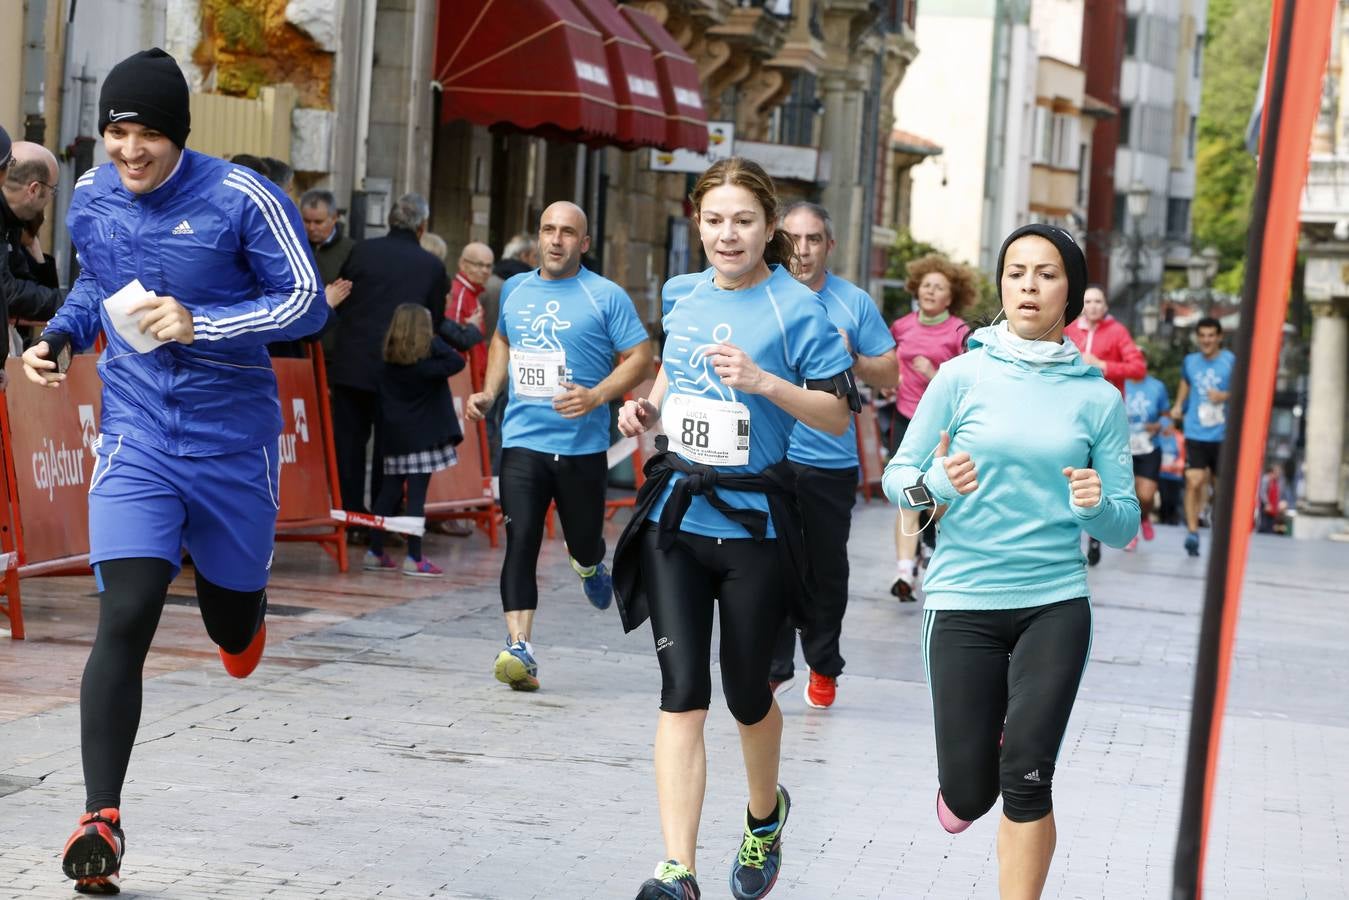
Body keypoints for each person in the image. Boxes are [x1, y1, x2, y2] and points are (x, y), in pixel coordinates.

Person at [19, 48, 327, 894]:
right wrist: (60, 336)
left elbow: (305, 302)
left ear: (177, 137)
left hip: (233, 446)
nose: (130, 150)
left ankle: (245, 612)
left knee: (230, 628)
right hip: (138, 435)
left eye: (147, 133)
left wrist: (205, 321)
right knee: (126, 613)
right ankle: (101, 818)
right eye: (118, 131)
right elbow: (93, 291)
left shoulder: (240, 199)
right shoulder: (89, 196)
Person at [613, 157, 856, 900]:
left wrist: (764, 384)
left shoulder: (796, 308)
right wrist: (644, 412)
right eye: (714, 220)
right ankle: (677, 869)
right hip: (678, 519)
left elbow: (836, 411)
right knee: (681, 690)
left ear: (767, 228)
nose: (728, 234)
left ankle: (762, 816)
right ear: (698, 223)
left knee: (748, 694)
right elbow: (672, 376)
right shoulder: (682, 297)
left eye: (743, 221)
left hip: (756, 528)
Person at [883, 223, 1136, 900]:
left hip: (1053, 602)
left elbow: (1124, 522)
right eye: (1016, 271)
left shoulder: (1097, 397)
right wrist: (932, 487)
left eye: (1046, 273)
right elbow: (894, 479)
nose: (1028, 284)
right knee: (969, 793)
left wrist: (1092, 507)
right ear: (1001, 285)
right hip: (963, 599)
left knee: (1027, 772)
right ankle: (967, 779)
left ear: (1069, 290)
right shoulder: (961, 376)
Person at [464, 201, 651, 692]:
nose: (556, 239)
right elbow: (502, 339)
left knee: (584, 539)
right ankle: (519, 648)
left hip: (581, 447)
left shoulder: (605, 296)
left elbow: (641, 355)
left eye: (567, 232)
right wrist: (490, 390)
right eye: (548, 230)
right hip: (524, 438)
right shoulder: (516, 290)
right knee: (521, 540)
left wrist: (597, 396)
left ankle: (589, 563)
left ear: (583, 243)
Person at [767, 200, 897, 709]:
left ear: (829, 245)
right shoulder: (764, 294)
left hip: (829, 460)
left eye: (813, 239)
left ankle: (822, 663)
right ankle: (774, 666)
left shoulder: (854, 302)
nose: (802, 250)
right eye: (793, 238)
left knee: (824, 571)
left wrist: (857, 359)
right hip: (769, 454)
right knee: (770, 566)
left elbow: (891, 372)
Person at [327, 193, 482, 529]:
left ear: (389, 221)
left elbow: (342, 296)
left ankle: (352, 518)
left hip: (352, 364)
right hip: (399, 371)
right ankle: (384, 523)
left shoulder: (362, 250)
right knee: (391, 448)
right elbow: (434, 321)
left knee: (349, 445)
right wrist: (468, 335)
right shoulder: (430, 266)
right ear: (422, 227)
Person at [889, 253, 976, 600]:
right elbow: (890, 360)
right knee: (905, 494)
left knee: (935, 495)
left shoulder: (959, 331)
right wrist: (889, 379)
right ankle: (905, 574)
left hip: (942, 426)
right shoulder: (901, 326)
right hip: (905, 416)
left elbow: (968, 381)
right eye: (926, 285)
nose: (930, 292)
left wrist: (931, 374)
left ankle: (929, 537)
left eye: (938, 287)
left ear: (950, 296)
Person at [364, 304, 467, 575]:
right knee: (417, 497)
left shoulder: (387, 360)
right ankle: (415, 556)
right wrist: (435, 341)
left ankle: (374, 551)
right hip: (423, 437)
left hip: (395, 436)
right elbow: (457, 361)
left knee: (388, 493)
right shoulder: (428, 365)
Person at [1064, 285, 1145, 565]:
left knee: (1101, 472)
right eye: (1088, 301)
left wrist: (1104, 365)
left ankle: (1096, 537)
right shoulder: (1069, 329)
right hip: (1072, 409)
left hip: (1106, 414)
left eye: (1098, 301)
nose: (1094, 306)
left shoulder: (1117, 332)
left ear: (1106, 305)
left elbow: (1138, 368)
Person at [1169, 316, 1235, 557]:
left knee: (1220, 488)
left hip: (1223, 435)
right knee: (1193, 481)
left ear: (1219, 337)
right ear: (1198, 338)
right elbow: (1186, 383)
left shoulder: (1230, 361)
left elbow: (1243, 390)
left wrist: (1224, 396)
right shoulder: (1190, 361)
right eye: (1203, 336)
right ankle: (1193, 533)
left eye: (1211, 336)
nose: (1206, 340)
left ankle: (1216, 525)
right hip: (1196, 431)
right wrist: (1178, 405)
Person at [1, 136, 65, 347]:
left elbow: (31, 286)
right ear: (35, 189)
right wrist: (72, 303)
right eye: (53, 190)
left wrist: (35, 252)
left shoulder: (11, 224)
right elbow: (7, 292)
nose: (50, 199)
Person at [1123, 370, 1171, 548]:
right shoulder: (1118, 383)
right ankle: (1131, 531)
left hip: (1149, 447)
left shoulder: (1157, 386)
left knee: (1146, 495)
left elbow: (1166, 415)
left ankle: (1144, 517)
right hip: (1123, 447)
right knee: (1128, 494)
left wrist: (1161, 425)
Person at [449, 241, 494, 383]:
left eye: (489, 266)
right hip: (462, 382)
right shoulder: (459, 294)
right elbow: (452, 346)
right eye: (479, 265)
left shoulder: (471, 293)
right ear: (463, 264)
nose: (485, 271)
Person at [1156, 416, 1185, 525]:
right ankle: (1164, 518)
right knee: (1164, 498)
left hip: (1175, 474)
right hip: (1161, 473)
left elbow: (1183, 455)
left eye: (1169, 426)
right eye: (1164, 426)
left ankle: (1174, 519)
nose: (1167, 428)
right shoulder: (1157, 437)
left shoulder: (1179, 437)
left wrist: (1177, 465)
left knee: (1175, 499)